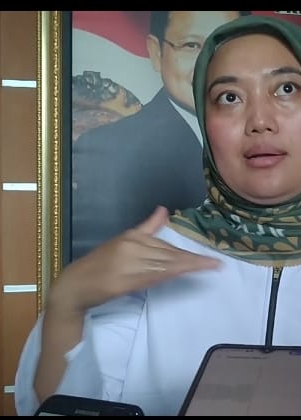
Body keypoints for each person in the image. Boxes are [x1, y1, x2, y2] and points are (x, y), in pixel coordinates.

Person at [15, 15, 301, 416]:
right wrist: (68, 303)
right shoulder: (158, 258)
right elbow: (64, 407)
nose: (260, 120)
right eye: (229, 97)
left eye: (286, 88)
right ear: (206, 124)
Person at [71, 11, 250, 261]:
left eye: (223, 44)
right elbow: (100, 269)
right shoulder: (110, 148)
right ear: (156, 52)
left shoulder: (271, 137)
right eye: (191, 45)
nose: (209, 63)